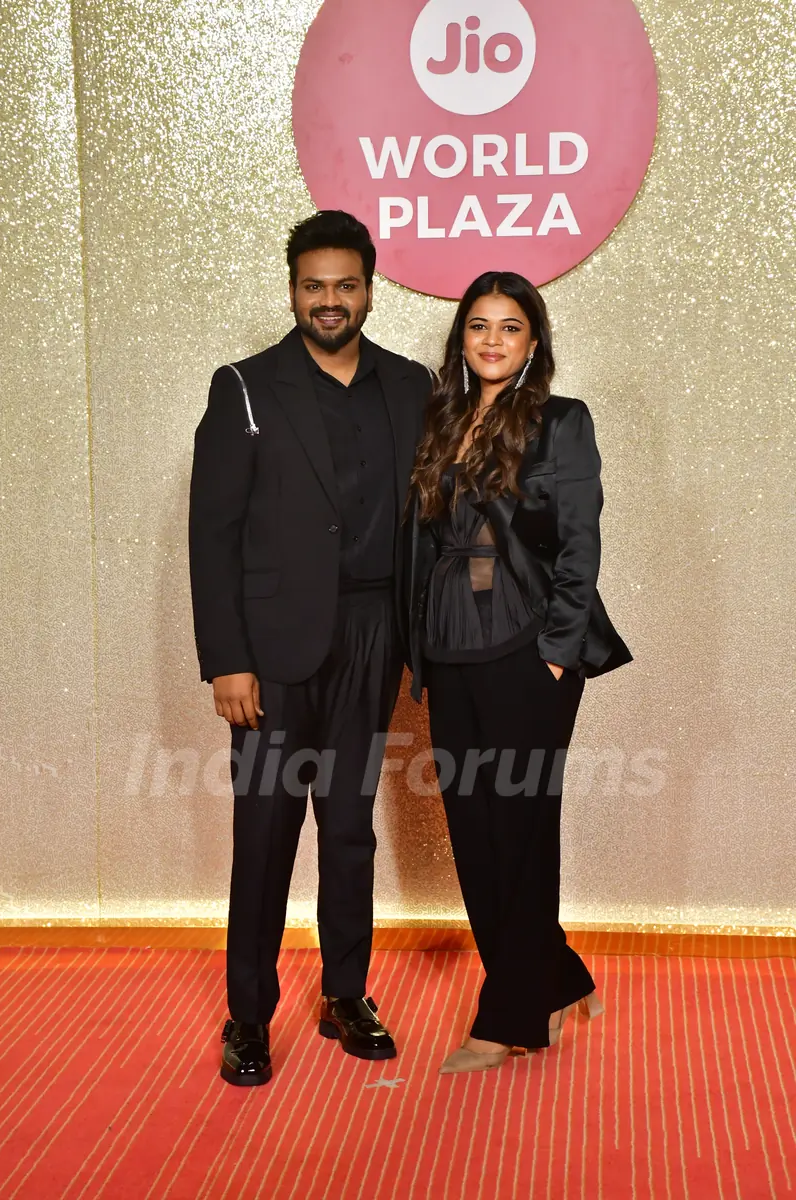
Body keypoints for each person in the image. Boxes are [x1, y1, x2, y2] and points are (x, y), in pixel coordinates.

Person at [189, 210, 431, 1085]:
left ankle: (345, 993)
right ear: (292, 291)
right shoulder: (246, 388)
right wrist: (227, 659)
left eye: (345, 285)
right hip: (271, 649)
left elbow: (432, 518)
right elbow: (212, 533)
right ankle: (249, 1015)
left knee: (350, 829)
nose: (330, 300)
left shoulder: (412, 385)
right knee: (265, 836)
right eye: (313, 286)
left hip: (374, 635)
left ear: (370, 290)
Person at [401, 271, 632, 1074]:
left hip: (529, 648)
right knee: (474, 831)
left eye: (509, 327)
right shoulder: (440, 419)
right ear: (460, 338)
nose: (492, 340)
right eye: (479, 326)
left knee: (521, 830)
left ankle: (508, 1017)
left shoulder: (563, 422)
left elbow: (580, 543)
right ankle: (556, 978)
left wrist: (558, 653)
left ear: (534, 343)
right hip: (449, 646)